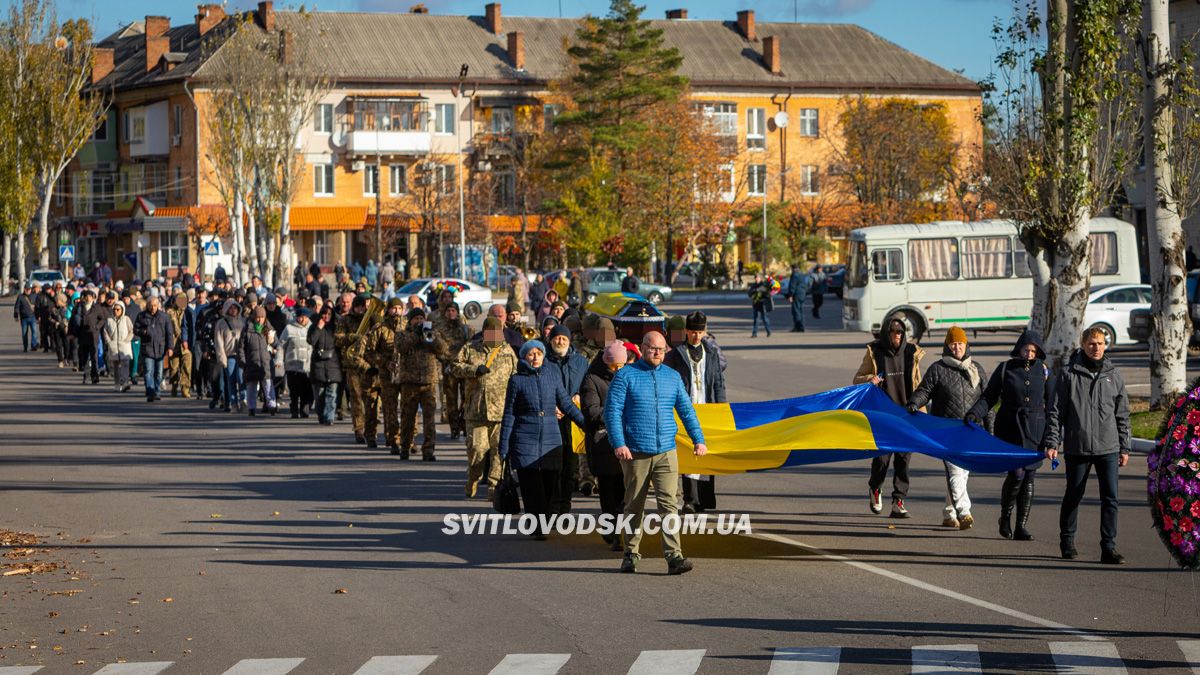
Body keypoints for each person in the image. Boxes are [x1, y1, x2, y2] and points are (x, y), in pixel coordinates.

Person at [606, 331, 707, 574]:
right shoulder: (625, 376)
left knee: (669, 504)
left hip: (666, 452)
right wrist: (619, 443)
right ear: (642, 348)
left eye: (661, 349)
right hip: (635, 452)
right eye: (653, 349)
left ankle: (674, 557)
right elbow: (612, 412)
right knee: (634, 505)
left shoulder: (672, 378)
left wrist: (698, 439)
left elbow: (686, 411)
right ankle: (630, 554)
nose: (657, 353)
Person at [1043, 327, 1131, 565]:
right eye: (1092, 343)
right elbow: (1056, 412)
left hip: (1108, 448)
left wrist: (1125, 447)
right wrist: (1052, 442)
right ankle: (1067, 541)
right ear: (1082, 344)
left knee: (1110, 498)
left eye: (1101, 343)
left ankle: (1109, 548)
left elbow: (1122, 414)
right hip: (1078, 447)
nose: (1097, 348)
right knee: (1074, 494)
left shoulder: (1114, 375)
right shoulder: (1069, 374)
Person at [968, 330, 1051, 541]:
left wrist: (1053, 436)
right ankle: (1005, 516)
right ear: (1019, 348)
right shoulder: (1005, 368)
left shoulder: (1044, 371)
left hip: (1035, 430)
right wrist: (974, 414)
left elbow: (1053, 405)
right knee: (1017, 474)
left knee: (1029, 476)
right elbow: (989, 397)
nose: (1029, 354)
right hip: (1010, 428)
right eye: (1026, 349)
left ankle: (1021, 525)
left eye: (1033, 350)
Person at [499, 340, 586, 540]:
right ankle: (537, 525)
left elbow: (566, 404)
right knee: (532, 488)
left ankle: (543, 519)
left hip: (551, 438)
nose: (536, 357)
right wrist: (504, 445)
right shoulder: (516, 380)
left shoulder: (552, 376)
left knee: (550, 485)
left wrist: (586, 425)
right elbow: (509, 414)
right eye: (531, 354)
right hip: (524, 439)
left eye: (539, 353)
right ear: (524, 357)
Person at [906, 326, 986, 530]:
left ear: (966, 345)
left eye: (960, 344)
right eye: (953, 344)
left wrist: (990, 431)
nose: (957, 347)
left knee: (963, 473)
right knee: (956, 471)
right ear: (947, 346)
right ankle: (964, 511)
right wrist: (915, 402)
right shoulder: (938, 368)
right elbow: (924, 390)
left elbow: (988, 400)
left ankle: (949, 513)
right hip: (946, 430)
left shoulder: (976, 368)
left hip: (971, 429)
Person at [853, 318, 925, 518]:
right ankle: (875, 489)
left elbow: (918, 384)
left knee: (903, 460)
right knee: (882, 459)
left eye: (900, 332)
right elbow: (856, 379)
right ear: (886, 332)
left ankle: (898, 501)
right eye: (893, 331)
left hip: (906, 415)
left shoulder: (912, 352)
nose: (896, 335)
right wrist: (870, 379)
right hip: (883, 416)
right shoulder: (875, 352)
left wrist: (922, 413)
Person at [664, 311, 727, 515]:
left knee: (706, 453)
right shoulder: (676, 354)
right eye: (692, 332)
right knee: (690, 453)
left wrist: (721, 407)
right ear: (686, 331)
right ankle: (690, 500)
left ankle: (705, 499)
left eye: (700, 332)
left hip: (707, 408)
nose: (696, 336)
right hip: (685, 408)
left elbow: (718, 381)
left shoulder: (711, 352)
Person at [452, 316, 519, 498]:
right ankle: (473, 477)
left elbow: (516, 375)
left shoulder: (507, 351)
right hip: (477, 410)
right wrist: (473, 370)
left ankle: (494, 486)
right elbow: (454, 367)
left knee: (499, 451)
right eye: (490, 331)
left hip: (501, 411)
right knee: (477, 450)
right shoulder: (471, 348)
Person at [581, 340, 629, 550]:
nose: (618, 370)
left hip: (627, 443)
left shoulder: (629, 375)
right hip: (604, 444)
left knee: (626, 492)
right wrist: (618, 414)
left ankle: (623, 532)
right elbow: (591, 412)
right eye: (614, 366)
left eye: (621, 365)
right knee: (609, 492)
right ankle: (611, 529)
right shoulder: (592, 379)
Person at [544, 324, 589, 514]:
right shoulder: (544, 361)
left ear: (569, 341)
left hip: (574, 420)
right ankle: (552, 506)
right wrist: (550, 405)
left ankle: (565, 506)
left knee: (570, 466)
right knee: (553, 466)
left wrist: (579, 395)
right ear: (550, 340)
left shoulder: (580, 362)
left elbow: (588, 384)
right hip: (551, 420)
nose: (560, 341)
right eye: (556, 338)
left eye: (563, 338)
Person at [394, 307, 449, 460]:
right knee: (407, 418)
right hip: (409, 382)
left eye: (421, 319)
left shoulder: (431, 332)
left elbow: (443, 349)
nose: (419, 321)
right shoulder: (402, 334)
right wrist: (416, 335)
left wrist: (430, 336)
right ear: (410, 320)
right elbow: (401, 348)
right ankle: (405, 447)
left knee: (429, 419)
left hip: (428, 382)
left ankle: (429, 450)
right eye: (416, 319)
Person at [356, 298, 404, 449]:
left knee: (392, 409)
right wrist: (373, 366)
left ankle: (393, 437)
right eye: (393, 308)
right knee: (372, 410)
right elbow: (363, 355)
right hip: (372, 377)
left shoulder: (405, 328)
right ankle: (370, 436)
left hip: (394, 375)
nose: (396, 311)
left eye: (399, 308)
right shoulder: (375, 333)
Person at [336, 295, 379, 445]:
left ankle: (371, 430)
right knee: (356, 399)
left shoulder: (372, 318)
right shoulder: (345, 320)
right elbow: (338, 338)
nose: (363, 309)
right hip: (352, 364)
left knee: (371, 399)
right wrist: (354, 337)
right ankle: (359, 430)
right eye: (360, 306)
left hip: (370, 363)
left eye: (365, 306)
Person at [434, 301, 470, 440]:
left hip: (463, 367)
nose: (451, 313)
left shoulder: (464, 328)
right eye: (448, 311)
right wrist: (444, 360)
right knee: (451, 400)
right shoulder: (439, 328)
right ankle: (454, 427)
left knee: (466, 397)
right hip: (448, 367)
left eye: (453, 311)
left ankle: (465, 425)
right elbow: (436, 347)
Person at [134, 295, 175, 403]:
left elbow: (169, 333)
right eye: (151, 305)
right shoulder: (141, 316)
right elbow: (135, 329)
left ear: (158, 306)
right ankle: (150, 391)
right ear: (147, 305)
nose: (153, 308)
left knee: (159, 373)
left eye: (155, 305)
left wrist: (170, 347)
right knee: (148, 371)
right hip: (147, 348)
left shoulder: (164, 317)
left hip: (160, 349)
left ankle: (157, 391)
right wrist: (143, 332)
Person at [307, 304, 342, 426]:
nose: (326, 316)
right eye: (324, 314)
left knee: (332, 394)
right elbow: (311, 341)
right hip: (318, 365)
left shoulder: (336, 327)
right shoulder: (314, 326)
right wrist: (318, 328)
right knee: (320, 394)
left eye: (329, 314)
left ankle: (329, 417)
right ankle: (321, 415)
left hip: (333, 364)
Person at [241, 306, 278, 416]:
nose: (259, 320)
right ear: (253, 317)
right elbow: (241, 348)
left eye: (262, 317)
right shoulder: (247, 329)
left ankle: (272, 406)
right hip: (251, 362)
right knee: (251, 387)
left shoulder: (268, 329)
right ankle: (251, 408)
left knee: (268, 385)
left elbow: (277, 344)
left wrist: (274, 345)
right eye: (257, 317)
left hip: (266, 363)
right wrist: (243, 361)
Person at [282, 307, 315, 418]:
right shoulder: (289, 328)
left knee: (306, 390)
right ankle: (294, 410)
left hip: (307, 365)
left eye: (305, 317)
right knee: (294, 391)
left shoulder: (313, 328)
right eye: (300, 317)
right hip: (292, 365)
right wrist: (279, 360)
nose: (302, 320)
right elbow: (281, 346)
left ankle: (304, 410)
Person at [214, 299, 245, 412]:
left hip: (241, 355)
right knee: (231, 380)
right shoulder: (220, 323)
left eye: (235, 308)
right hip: (229, 355)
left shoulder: (242, 322)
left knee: (241, 378)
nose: (233, 310)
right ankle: (233, 403)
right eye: (231, 308)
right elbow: (218, 342)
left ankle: (243, 400)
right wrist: (222, 358)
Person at [166, 293, 194, 398]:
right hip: (174, 345)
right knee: (174, 368)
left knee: (186, 367)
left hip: (185, 345)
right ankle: (174, 386)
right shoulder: (170, 312)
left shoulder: (188, 312)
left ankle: (185, 389)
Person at [103, 301, 135, 392]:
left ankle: (125, 383)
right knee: (116, 367)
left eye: (118, 309)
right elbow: (105, 332)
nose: (116, 311)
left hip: (124, 347)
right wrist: (109, 342)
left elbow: (131, 330)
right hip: (114, 347)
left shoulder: (126, 319)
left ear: (122, 310)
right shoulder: (109, 320)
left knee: (125, 365)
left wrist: (127, 340)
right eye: (114, 309)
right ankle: (117, 384)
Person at [785, 264, 811, 332]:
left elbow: (792, 286)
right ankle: (802, 327)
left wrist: (790, 295)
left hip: (796, 294)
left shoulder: (794, 275)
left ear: (793, 268)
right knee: (801, 311)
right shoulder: (802, 274)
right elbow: (805, 285)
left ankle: (797, 327)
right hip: (802, 294)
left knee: (796, 311)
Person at [14, 284, 38, 352]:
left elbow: (38, 306)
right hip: (24, 318)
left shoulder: (34, 296)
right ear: (24, 289)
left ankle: (33, 345)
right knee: (24, 333)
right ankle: (25, 346)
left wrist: (38, 315)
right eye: (26, 289)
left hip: (33, 317)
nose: (28, 291)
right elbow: (17, 307)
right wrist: (16, 315)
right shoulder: (20, 297)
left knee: (34, 332)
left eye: (29, 289)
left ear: (31, 289)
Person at [747, 274, 773, 338]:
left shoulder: (764, 285)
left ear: (760, 278)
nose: (756, 279)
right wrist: (753, 291)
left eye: (757, 278)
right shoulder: (753, 286)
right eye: (755, 278)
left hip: (763, 304)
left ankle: (768, 331)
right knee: (756, 319)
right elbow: (749, 294)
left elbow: (767, 293)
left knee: (765, 319)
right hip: (756, 304)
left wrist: (760, 290)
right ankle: (754, 333)